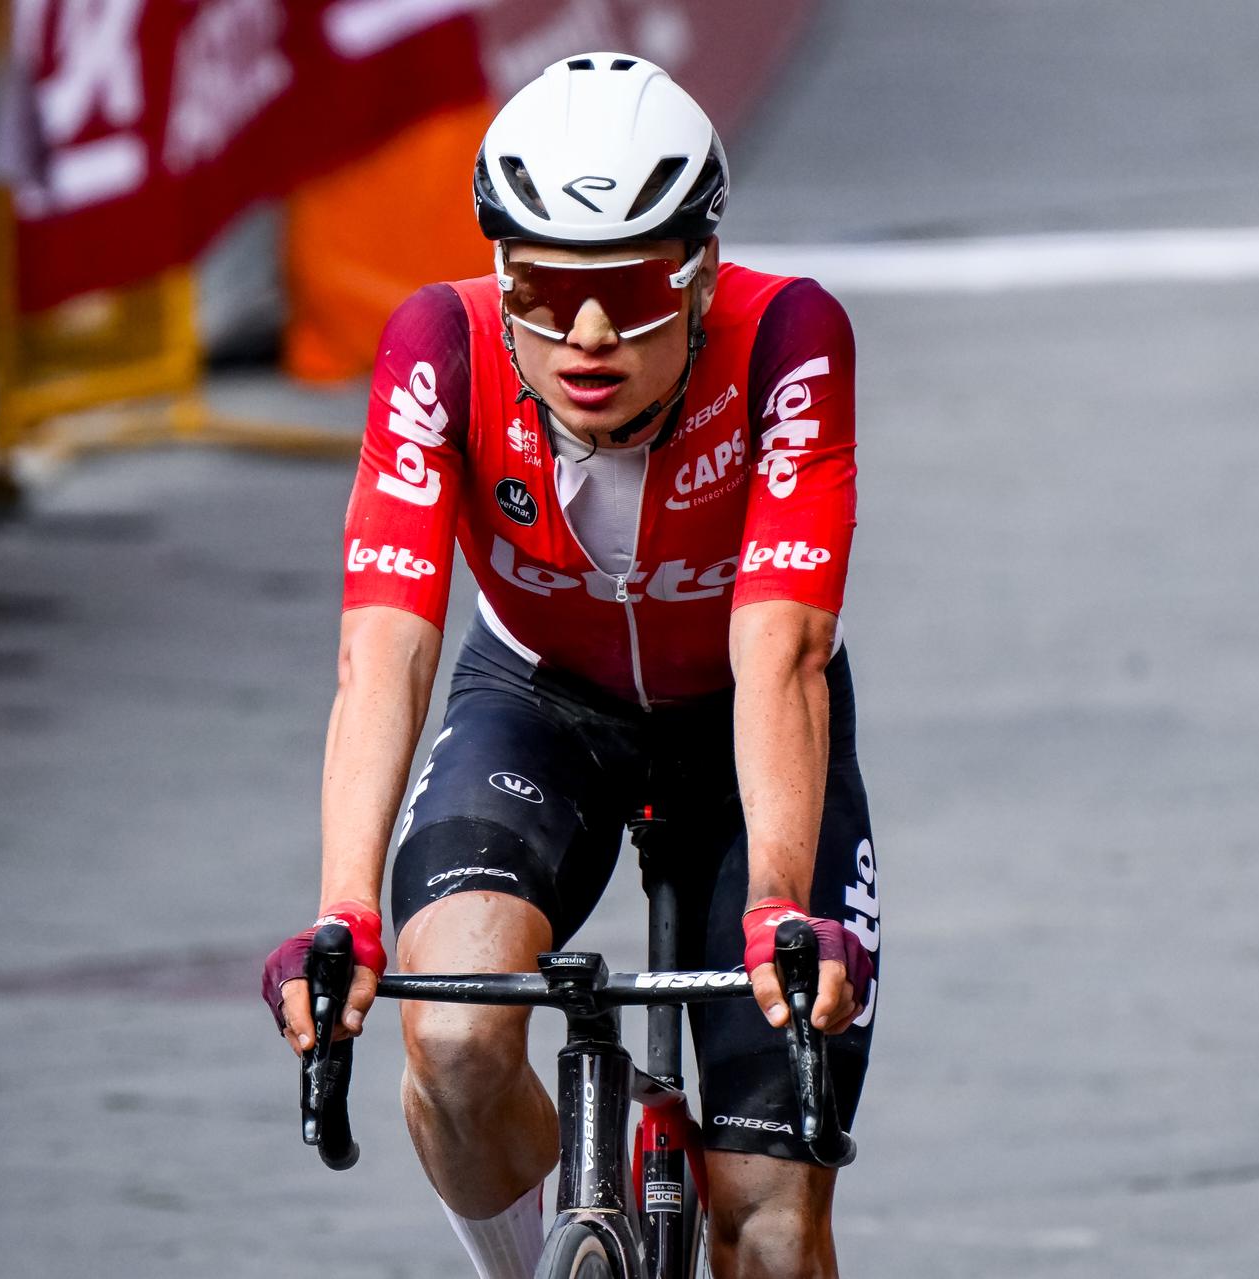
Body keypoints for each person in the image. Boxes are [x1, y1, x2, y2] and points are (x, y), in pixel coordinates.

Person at [265, 53, 880, 1279]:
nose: (587, 334)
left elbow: (783, 648)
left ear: (701, 267)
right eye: (545, 291)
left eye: (634, 288)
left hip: (738, 728)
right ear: (501, 272)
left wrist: (773, 902)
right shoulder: (437, 347)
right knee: (450, 1035)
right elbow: (385, 639)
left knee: (763, 1218)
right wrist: (344, 906)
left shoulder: (788, 340)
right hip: (540, 704)